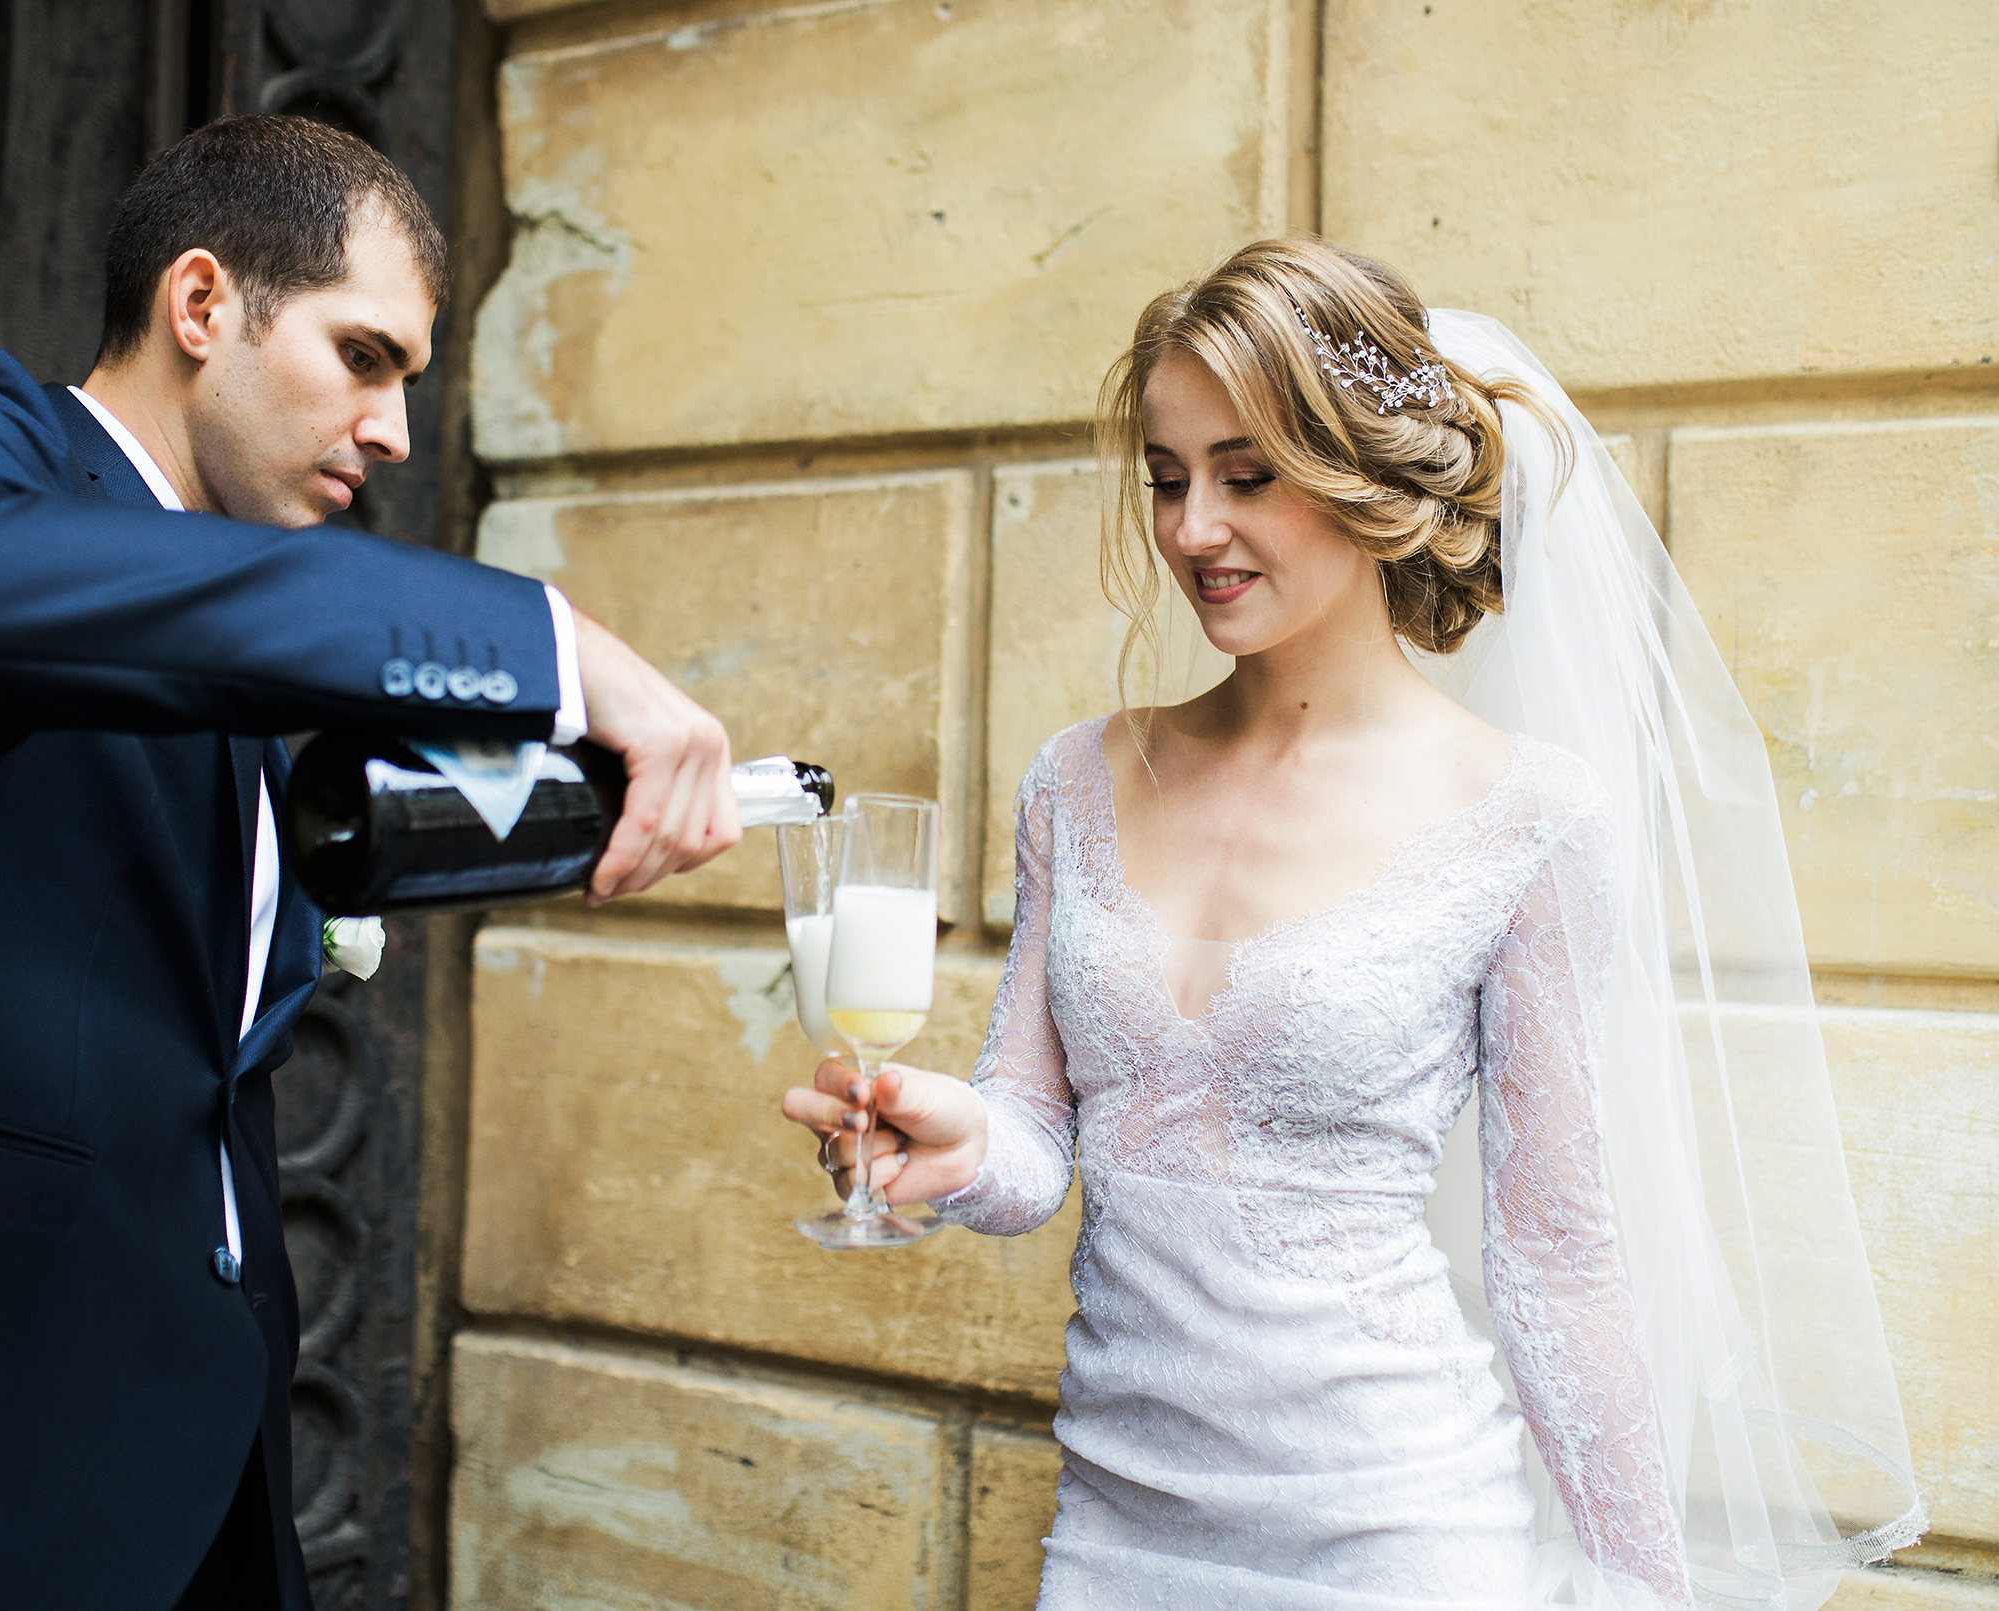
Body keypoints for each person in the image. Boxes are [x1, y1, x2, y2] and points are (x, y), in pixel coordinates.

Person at [0, 115, 740, 1611]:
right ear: (201, 305)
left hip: (174, 1496)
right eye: (367, 358)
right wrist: (544, 642)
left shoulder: (256, 660)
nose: (395, 430)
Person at [786, 238, 1923, 1609]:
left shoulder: (1532, 822)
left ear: (1365, 483)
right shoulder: (1076, 779)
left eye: (1245, 475)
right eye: (1166, 478)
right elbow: (1033, 1152)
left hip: (1397, 1538)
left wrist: (1646, 1589)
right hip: (1111, 1534)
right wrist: (958, 1142)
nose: (1192, 529)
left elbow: (1559, 1261)